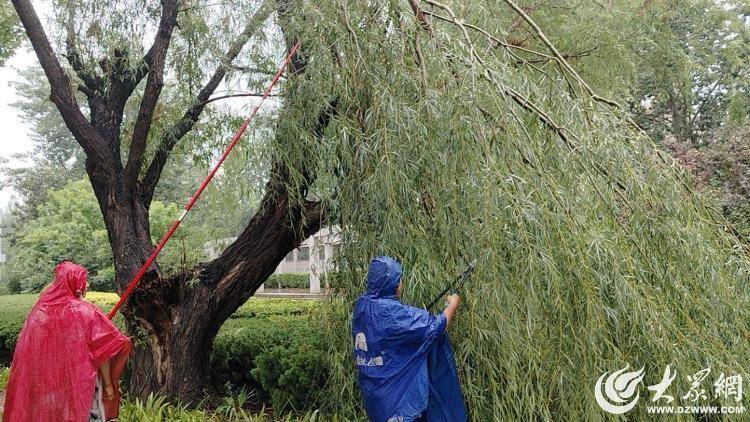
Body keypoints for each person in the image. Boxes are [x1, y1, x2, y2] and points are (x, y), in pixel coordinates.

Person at [3, 261, 131, 422]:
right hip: (80, 389)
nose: (87, 285)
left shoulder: (39, 312)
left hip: (46, 389)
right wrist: (108, 385)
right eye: (84, 281)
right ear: (76, 283)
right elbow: (104, 350)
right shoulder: (87, 312)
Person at [352, 256, 466, 422]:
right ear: (393, 283)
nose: (401, 282)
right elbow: (436, 327)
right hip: (399, 406)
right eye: (399, 279)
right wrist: (452, 304)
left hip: (376, 402)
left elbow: (397, 331)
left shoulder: (362, 306)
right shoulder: (391, 313)